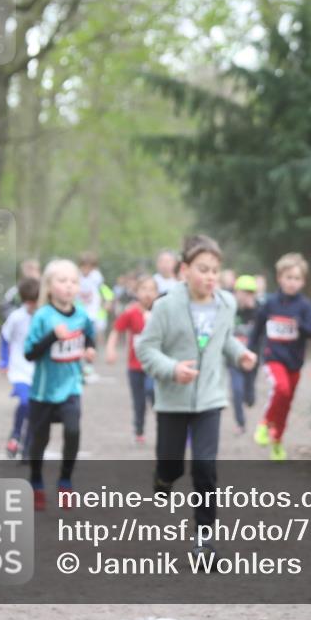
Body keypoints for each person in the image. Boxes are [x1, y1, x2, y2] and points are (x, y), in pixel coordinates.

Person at [135, 235, 258, 566]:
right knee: (172, 466)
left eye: (215, 271)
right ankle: (163, 478)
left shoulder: (226, 303)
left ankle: (204, 542)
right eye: (203, 269)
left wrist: (241, 354)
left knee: (205, 467)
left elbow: (223, 339)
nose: (210, 277)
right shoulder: (165, 306)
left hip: (210, 399)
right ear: (185, 270)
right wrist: (172, 369)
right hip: (172, 400)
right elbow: (145, 348)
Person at [24, 259, 96, 511]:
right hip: (43, 392)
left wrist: (90, 349)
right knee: (39, 440)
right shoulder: (42, 316)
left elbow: (89, 335)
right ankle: (35, 481)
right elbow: (29, 353)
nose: (69, 286)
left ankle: (65, 480)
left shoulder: (82, 315)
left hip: (71, 388)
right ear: (49, 285)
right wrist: (53, 336)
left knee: (73, 431)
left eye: (74, 281)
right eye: (62, 281)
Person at [249, 253, 311, 461]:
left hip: (294, 362)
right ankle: (264, 423)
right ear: (280, 278)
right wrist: (250, 351)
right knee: (281, 389)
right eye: (288, 277)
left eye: (297, 278)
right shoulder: (270, 303)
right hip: (273, 357)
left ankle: (277, 441)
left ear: (303, 282)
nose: (292, 282)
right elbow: (257, 329)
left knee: (286, 403)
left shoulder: (304, 306)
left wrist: (300, 325)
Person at [105, 275, 159, 445]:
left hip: (155, 366)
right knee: (139, 401)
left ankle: (164, 427)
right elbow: (116, 330)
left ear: (157, 293)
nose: (148, 293)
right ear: (136, 292)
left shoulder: (161, 312)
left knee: (153, 392)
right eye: (144, 289)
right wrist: (110, 349)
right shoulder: (131, 312)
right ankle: (139, 431)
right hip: (135, 366)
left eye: (152, 290)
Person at [0, 277, 39, 460]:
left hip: (39, 371)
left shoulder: (44, 316)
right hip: (19, 369)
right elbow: (4, 337)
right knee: (25, 402)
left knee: (36, 409)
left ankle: (28, 445)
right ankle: (15, 434)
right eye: (29, 302)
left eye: (35, 301)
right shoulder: (16, 317)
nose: (32, 305)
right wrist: (4, 361)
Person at [227, 274, 261, 434]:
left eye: (249, 293)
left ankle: (250, 396)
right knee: (237, 391)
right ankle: (240, 423)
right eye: (241, 292)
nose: (244, 296)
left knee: (249, 396)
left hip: (253, 358)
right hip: (234, 359)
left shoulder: (259, 311)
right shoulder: (230, 310)